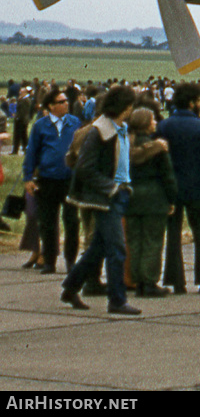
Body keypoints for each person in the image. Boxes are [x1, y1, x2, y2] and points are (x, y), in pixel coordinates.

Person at [60, 84, 141, 315]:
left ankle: (70, 288)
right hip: (106, 198)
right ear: (123, 106)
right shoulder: (98, 132)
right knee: (117, 248)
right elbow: (85, 168)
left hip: (119, 194)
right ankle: (117, 300)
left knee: (97, 250)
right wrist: (111, 188)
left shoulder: (121, 128)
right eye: (129, 105)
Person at [159, 83, 200, 295]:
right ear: (193, 102)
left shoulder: (164, 125)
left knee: (173, 232)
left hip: (171, 185)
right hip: (198, 184)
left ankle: (176, 281)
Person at [23, 87, 80, 275]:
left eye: (66, 101)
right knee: (48, 222)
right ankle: (49, 261)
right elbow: (31, 153)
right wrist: (28, 177)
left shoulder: (75, 123)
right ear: (51, 106)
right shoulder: (40, 126)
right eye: (61, 102)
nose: (66, 104)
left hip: (70, 180)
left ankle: (71, 261)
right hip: (47, 180)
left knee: (71, 222)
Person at [124, 108, 176, 298]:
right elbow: (167, 176)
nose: (155, 122)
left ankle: (137, 280)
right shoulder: (158, 148)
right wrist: (171, 198)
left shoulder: (125, 147)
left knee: (134, 241)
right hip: (154, 196)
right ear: (146, 124)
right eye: (152, 119)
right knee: (153, 241)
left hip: (131, 196)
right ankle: (149, 281)